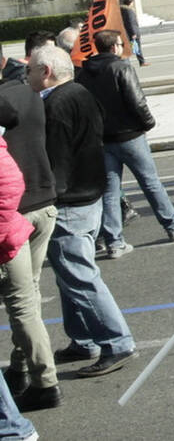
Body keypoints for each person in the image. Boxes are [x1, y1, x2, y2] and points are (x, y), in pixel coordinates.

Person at [26, 45, 138, 378]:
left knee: (79, 276)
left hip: (71, 201)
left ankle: (117, 342)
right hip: (90, 194)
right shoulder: (80, 93)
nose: (27, 74)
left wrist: (48, 197)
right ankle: (83, 338)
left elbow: (56, 160)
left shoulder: (56, 104)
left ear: (45, 72)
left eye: (31, 69)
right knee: (68, 275)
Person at [79, 30, 174, 258]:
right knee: (150, 182)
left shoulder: (84, 74)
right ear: (114, 47)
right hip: (129, 135)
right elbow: (136, 100)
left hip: (103, 139)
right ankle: (173, 224)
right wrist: (148, 122)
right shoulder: (121, 67)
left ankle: (114, 242)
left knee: (110, 191)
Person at [0, 76, 61, 411]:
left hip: (14, 221)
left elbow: (7, 186)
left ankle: (44, 380)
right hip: (41, 204)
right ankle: (23, 367)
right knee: (27, 297)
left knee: (22, 304)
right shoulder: (27, 92)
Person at [119, 0, 146, 66]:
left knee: (132, 47)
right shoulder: (128, 10)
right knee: (136, 47)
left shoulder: (122, 10)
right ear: (130, 3)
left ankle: (141, 61)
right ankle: (141, 62)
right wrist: (133, 33)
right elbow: (130, 22)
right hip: (133, 32)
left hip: (128, 32)